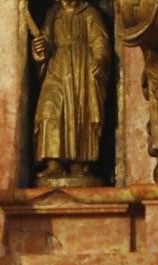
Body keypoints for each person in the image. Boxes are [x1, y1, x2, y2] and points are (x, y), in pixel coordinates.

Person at [28, 0, 110, 181]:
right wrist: (40, 50)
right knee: (49, 109)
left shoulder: (90, 14)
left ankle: (79, 164)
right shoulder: (53, 14)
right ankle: (53, 163)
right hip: (57, 67)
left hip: (81, 71)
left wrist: (100, 60)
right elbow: (46, 42)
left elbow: (100, 41)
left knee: (81, 112)